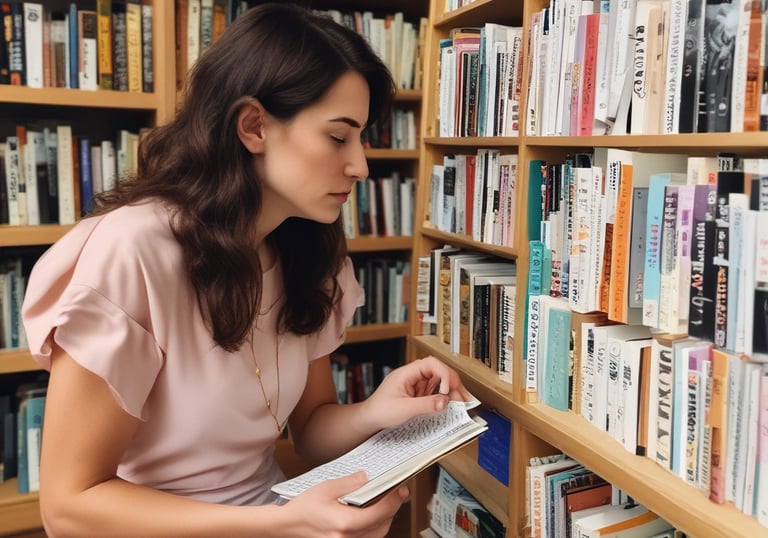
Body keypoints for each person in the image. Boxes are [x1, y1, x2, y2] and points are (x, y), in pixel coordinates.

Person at [21, 3, 474, 537]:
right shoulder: (133, 251)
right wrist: (278, 524)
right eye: (337, 136)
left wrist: (377, 411)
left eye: (361, 139)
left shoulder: (310, 249)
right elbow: (69, 507)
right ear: (254, 126)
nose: (360, 166)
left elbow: (310, 429)